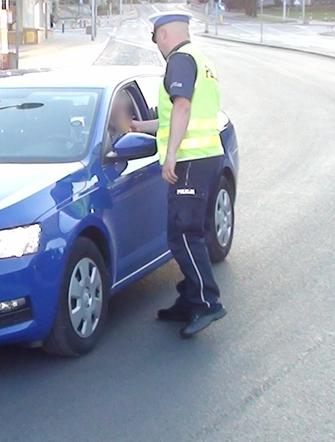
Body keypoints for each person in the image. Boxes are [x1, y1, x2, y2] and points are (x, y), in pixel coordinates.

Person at [132, 11, 227, 338]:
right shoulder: (202, 60)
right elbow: (177, 115)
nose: (157, 44)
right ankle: (188, 299)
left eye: (156, 37)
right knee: (192, 232)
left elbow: (183, 107)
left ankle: (206, 301)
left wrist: (170, 156)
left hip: (190, 160)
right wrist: (137, 127)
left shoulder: (179, 61)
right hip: (208, 156)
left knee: (183, 235)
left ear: (164, 35)